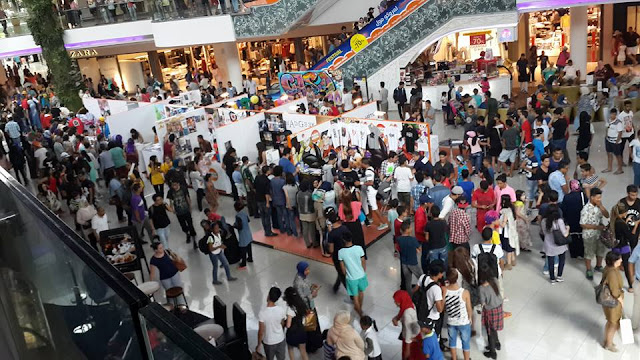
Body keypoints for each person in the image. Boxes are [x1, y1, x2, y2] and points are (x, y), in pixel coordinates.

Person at [580, 188, 610, 280]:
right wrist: (597, 227)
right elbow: (582, 224)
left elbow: (607, 215)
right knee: (589, 252)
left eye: (600, 197)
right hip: (589, 235)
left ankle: (598, 265)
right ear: (592, 197)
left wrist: (601, 206)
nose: (599, 199)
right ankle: (589, 269)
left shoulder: (599, 206)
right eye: (597, 198)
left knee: (600, 250)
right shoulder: (586, 209)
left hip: (600, 234)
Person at [442, 270, 472, 360]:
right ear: (457, 278)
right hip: (463, 322)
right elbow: (469, 308)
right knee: (465, 342)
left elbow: (443, 307)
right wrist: (470, 318)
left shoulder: (444, 290)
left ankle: (454, 358)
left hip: (451, 321)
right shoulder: (464, 292)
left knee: (452, 341)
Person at [338, 232, 368, 317]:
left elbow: (342, 267)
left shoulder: (341, 252)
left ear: (343, 240)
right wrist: (362, 271)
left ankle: (360, 314)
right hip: (361, 275)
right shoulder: (359, 248)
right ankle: (359, 308)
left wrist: (346, 275)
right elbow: (363, 261)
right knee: (361, 292)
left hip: (351, 278)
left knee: (355, 296)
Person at [478, 265, 503, 359]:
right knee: (494, 328)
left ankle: (493, 352)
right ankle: (497, 343)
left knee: (490, 331)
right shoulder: (495, 280)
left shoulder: (481, 288)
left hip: (490, 311)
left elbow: (483, 303)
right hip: (499, 307)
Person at [600, 251, 624, 352]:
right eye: (620, 259)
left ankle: (607, 340)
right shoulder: (612, 273)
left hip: (607, 302)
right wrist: (621, 301)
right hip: (613, 303)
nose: (621, 260)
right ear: (615, 261)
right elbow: (615, 292)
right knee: (614, 323)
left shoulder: (608, 268)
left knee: (610, 321)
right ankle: (609, 344)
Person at [541, 203, 569, 283]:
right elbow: (565, 234)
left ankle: (552, 278)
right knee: (562, 259)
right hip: (560, 244)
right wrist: (568, 228)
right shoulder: (559, 221)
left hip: (549, 244)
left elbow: (544, 232)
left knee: (550, 261)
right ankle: (559, 276)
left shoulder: (544, 221)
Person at [257, 287, 287, 360]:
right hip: (281, 339)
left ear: (268, 296)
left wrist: (259, 345)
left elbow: (261, 332)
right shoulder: (281, 310)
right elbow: (283, 323)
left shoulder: (262, 313)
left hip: (269, 342)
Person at [203, 220, 237, 285]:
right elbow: (211, 249)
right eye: (216, 228)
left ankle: (229, 276)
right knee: (215, 267)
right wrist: (219, 246)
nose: (218, 229)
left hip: (219, 252)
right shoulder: (210, 237)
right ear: (212, 229)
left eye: (218, 228)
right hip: (213, 254)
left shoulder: (219, 233)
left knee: (226, 264)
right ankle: (215, 280)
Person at [611, 202, 635, 291]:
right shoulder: (622, 224)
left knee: (614, 266)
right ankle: (630, 286)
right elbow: (629, 236)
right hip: (623, 247)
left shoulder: (613, 221)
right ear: (624, 213)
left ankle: (614, 284)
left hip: (615, 246)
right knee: (626, 266)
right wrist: (630, 225)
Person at [391, 290, 421, 360]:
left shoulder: (406, 314)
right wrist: (396, 318)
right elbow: (402, 310)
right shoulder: (410, 304)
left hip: (410, 339)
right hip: (416, 335)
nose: (395, 303)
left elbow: (408, 331)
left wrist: (407, 349)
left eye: (396, 301)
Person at [327, 208, 350, 293]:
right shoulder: (344, 228)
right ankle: (336, 285)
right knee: (342, 271)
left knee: (341, 273)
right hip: (347, 253)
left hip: (338, 256)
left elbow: (331, 249)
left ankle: (351, 293)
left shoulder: (332, 234)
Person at [397, 220, 423, 291]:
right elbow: (419, 248)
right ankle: (423, 291)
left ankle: (409, 295)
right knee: (421, 277)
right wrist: (416, 251)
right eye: (410, 228)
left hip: (404, 263)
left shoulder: (399, 239)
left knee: (408, 281)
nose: (411, 228)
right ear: (407, 230)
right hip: (413, 262)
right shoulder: (413, 239)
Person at [255, 166, 276, 236]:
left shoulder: (257, 177)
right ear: (267, 171)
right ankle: (269, 232)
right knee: (267, 217)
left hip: (258, 199)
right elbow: (267, 193)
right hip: (264, 200)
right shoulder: (267, 181)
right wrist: (267, 202)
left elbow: (254, 187)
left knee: (263, 216)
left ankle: (265, 231)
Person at [234, 201, 254, 269]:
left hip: (243, 234)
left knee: (243, 249)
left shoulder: (237, 216)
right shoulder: (244, 213)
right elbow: (248, 220)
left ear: (235, 208)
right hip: (248, 231)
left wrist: (234, 226)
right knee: (249, 246)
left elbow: (240, 227)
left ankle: (243, 263)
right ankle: (250, 258)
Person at [604, 108, 624, 174]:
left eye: (614, 114)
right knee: (609, 153)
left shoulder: (618, 123)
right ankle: (609, 167)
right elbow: (607, 128)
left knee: (618, 155)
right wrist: (606, 135)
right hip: (608, 140)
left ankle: (620, 169)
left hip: (615, 141)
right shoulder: (609, 121)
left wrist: (617, 141)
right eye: (611, 114)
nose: (612, 115)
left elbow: (620, 132)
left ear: (615, 114)